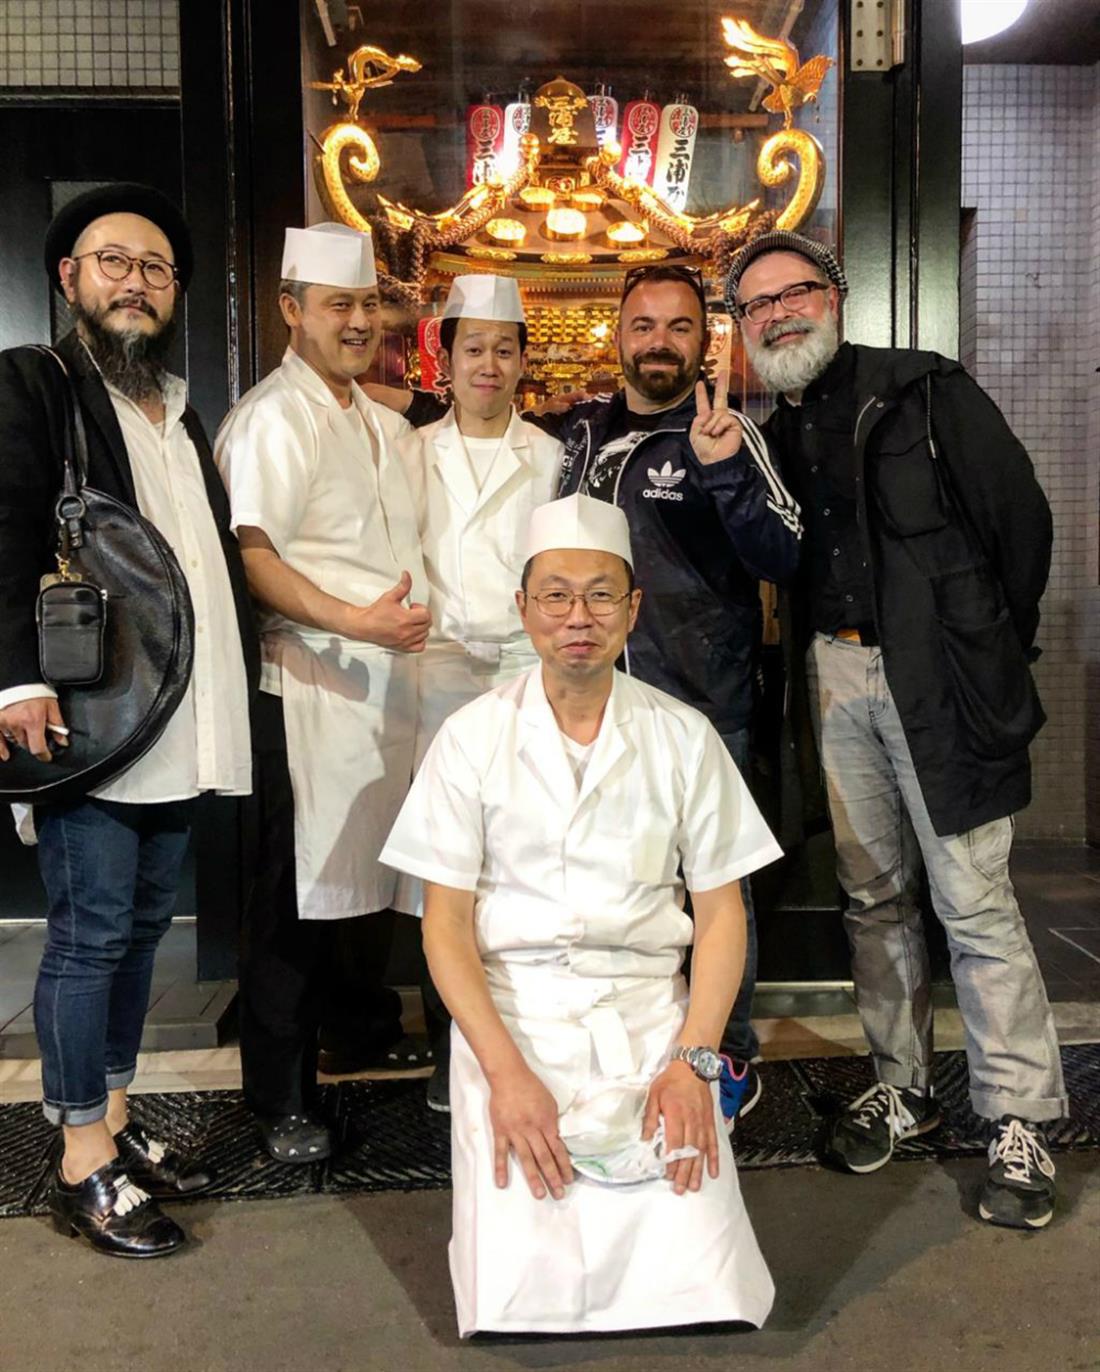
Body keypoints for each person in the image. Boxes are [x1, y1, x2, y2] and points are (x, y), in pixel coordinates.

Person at [373, 263, 803, 1123]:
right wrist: (365, 398)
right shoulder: (582, 429)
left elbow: (785, 555)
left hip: (694, 695)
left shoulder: (725, 431)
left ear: (705, 340)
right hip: (588, 695)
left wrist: (724, 471)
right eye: (643, 326)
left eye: (679, 327)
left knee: (715, 881)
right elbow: (475, 419)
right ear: (618, 337)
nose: (659, 343)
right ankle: (598, 1043)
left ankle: (724, 1056)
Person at [725, 229, 1067, 1229]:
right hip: (833, 677)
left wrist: (985, 644)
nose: (777, 314)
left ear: (833, 298)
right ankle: (903, 1086)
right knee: (872, 896)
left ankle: (1017, 1117)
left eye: (793, 293)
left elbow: (1020, 520)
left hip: (938, 678)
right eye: (756, 305)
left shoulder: (923, 390)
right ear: (742, 328)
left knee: (974, 902)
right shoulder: (771, 429)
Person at [381, 493, 780, 1336]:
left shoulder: (684, 736)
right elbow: (443, 927)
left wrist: (694, 1061)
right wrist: (505, 1075)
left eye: (601, 595)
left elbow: (721, 916)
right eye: (555, 595)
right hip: (513, 1016)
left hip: (652, 1018)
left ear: (633, 609)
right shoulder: (470, 738)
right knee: (518, 1299)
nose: (578, 618)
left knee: (709, 1287)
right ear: (523, 608)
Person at [0, 183, 256, 1256]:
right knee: (90, 933)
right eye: (114, 262)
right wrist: (16, 681)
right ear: (70, 279)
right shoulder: (35, 381)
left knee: (143, 930)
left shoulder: (179, 409)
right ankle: (79, 1161)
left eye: (154, 268)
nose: (135, 283)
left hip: (177, 714)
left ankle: (109, 1116)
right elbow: (5, 528)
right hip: (91, 717)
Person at [215, 223, 430, 1163]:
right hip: (302, 683)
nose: (357, 322)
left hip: (379, 681)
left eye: (368, 304)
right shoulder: (272, 417)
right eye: (337, 304)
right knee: (293, 900)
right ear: (290, 310)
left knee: (363, 882)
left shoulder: (376, 421)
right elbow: (253, 556)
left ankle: (360, 1028)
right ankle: (279, 1095)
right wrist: (353, 620)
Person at [396, 272, 564, 1111]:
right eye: (473, 350)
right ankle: (449, 1041)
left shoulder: (552, 455)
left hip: (526, 672)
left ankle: (529, 1031)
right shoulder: (410, 451)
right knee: (448, 861)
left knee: (526, 853)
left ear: (522, 361)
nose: (488, 365)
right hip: (437, 672)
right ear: (447, 360)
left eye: (503, 350)